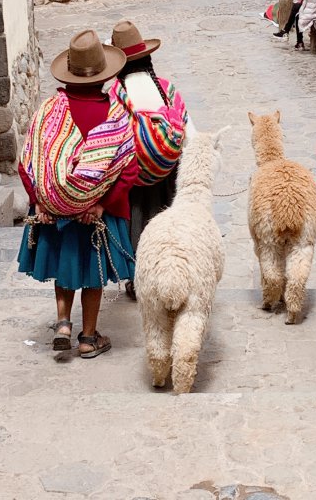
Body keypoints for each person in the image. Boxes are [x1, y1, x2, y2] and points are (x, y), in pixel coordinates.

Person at [17, 30, 139, 358]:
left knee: (65, 267)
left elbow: (29, 161)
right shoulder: (115, 117)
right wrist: (100, 204)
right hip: (94, 214)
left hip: (54, 212)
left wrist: (40, 200)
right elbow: (128, 169)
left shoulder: (49, 111)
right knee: (92, 275)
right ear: (104, 75)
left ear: (68, 73)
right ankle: (88, 338)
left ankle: (62, 324)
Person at [108, 20, 194, 300]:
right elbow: (188, 131)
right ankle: (171, 273)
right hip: (167, 172)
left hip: (133, 174)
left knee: (137, 222)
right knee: (165, 220)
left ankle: (136, 280)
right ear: (147, 57)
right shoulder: (165, 89)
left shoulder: (115, 95)